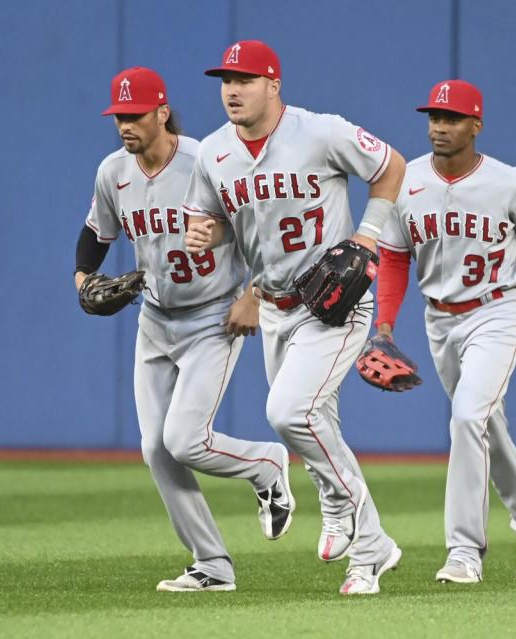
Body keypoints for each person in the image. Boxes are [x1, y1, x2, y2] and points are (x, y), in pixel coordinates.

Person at [183, 40, 405, 595]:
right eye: (225, 80)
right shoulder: (212, 153)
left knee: (288, 413)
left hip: (336, 302)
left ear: (273, 84)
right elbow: (216, 223)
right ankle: (373, 549)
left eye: (246, 79)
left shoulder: (320, 131)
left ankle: (341, 501)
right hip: (278, 307)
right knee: (318, 423)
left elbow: (391, 167)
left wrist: (368, 234)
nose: (232, 89)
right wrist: (209, 235)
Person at [75, 66, 295, 593]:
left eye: (134, 115)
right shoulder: (114, 171)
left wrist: (255, 294)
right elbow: (94, 233)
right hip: (153, 319)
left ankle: (267, 464)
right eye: (119, 116)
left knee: (184, 440)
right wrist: (83, 280)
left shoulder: (208, 161)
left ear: (162, 112)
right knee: (156, 447)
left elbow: (264, 229)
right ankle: (212, 565)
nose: (125, 125)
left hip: (213, 318)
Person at [374, 80, 516, 583]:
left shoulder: (513, 183)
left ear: (476, 125)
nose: (440, 126)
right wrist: (385, 325)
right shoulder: (406, 180)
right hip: (438, 318)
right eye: (434, 117)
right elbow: (394, 257)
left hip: (498, 310)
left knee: (466, 418)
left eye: (453, 118)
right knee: (485, 426)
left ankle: (463, 551)